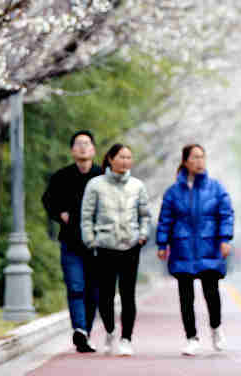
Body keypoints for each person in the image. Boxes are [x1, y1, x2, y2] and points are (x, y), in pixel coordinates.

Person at [156, 144, 234, 356]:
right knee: (185, 296)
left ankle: (216, 329)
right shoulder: (173, 192)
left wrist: (225, 239)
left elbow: (226, 214)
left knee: (211, 291)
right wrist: (162, 244)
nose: (200, 161)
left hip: (209, 245)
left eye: (202, 157)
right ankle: (191, 338)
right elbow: (165, 220)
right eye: (195, 157)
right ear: (186, 162)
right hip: (182, 247)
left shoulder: (216, 188)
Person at [80, 143, 150, 357]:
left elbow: (145, 215)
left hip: (130, 246)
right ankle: (110, 331)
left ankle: (126, 338)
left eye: (129, 157)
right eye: (121, 157)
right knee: (106, 295)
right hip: (105, 247)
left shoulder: (137, 186)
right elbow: (86, 216)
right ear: (110, 159)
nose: (125, 161)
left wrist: (142, 236)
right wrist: (91, 241)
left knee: (128, 295)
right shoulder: (95, 185)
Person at [41, 130, 102, 353]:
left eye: (87, 144)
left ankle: (86, 331)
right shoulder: (61, 176)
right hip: (71, 242)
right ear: (72, 150)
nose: (83, 148)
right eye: (78, 144)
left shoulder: (102, 175)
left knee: (93, 291)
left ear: (94, 149)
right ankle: (80, 330)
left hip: (97, 244)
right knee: (76, 287)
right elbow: (48, 200)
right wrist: (60, 215)